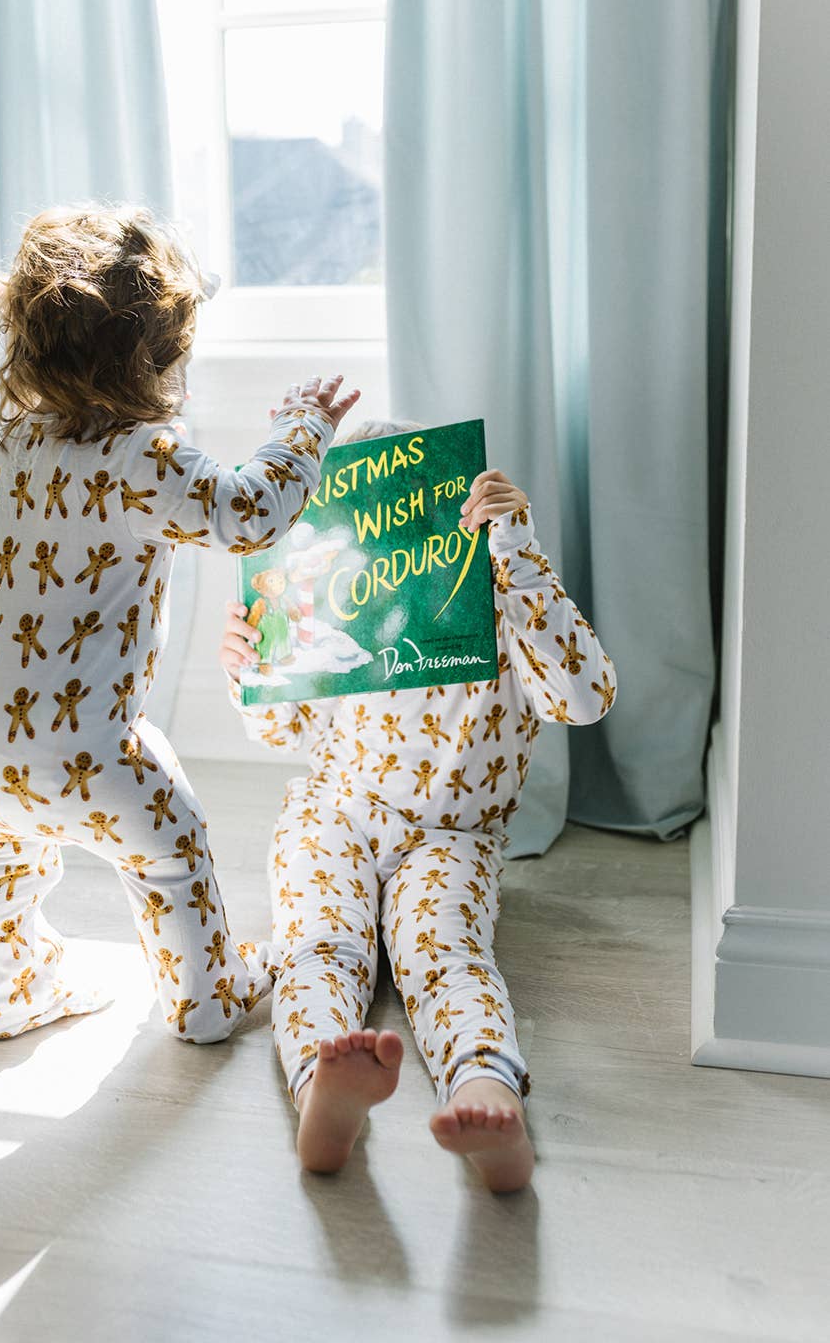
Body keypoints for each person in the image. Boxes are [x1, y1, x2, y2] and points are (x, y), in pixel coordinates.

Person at [0, 202, 359, 1042]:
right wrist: (302, 430)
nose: (181, 380)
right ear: (141, 366)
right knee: (171, 854)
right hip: (82, 747)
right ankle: (209, 1000)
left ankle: (7, 996)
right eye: (172, 362)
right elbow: (246, 514)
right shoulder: (141, 458)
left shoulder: (18, 443)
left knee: (0, 858)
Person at [219, 419, 616, 1188]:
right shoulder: (336, 601)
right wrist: (249, 665)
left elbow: (583, 698)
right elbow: (282, 726)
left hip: (450, 835)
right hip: (331, 812)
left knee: (446, 959)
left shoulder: (503, 601)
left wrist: (518, 562)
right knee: (318, 949)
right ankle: (320, 1090)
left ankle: (485, 1087)